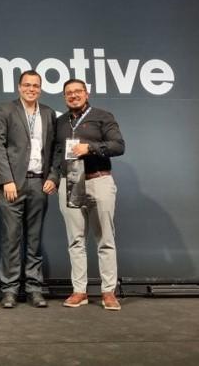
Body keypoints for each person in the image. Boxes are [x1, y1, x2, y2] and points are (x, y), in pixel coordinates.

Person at [0, 70, 59, 308]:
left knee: (34, 239)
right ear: (19, 87)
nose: (31, 89)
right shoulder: (5, 110)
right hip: (13, 185)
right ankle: (9, 289)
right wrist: (6, 179)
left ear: (40, 88)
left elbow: (57, 149)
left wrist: (54, 176)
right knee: (10, 238)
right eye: (27, 85)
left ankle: (33, 288)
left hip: (39, 182)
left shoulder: (49, 113)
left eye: (36, 85)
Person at [55, 78, 125, 311]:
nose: (73, 96)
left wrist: (90, 148)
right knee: (75, 241)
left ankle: (108, 292)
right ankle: (79, 291)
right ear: (64, 97)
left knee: (105, 239)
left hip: (99, 180)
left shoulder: (103, 116)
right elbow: (56, 153)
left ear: (87, 93)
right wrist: (54, 178)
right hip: (71, 183)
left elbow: (118, 146)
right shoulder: (60, 122)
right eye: (69, 93)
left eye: (77, 92)